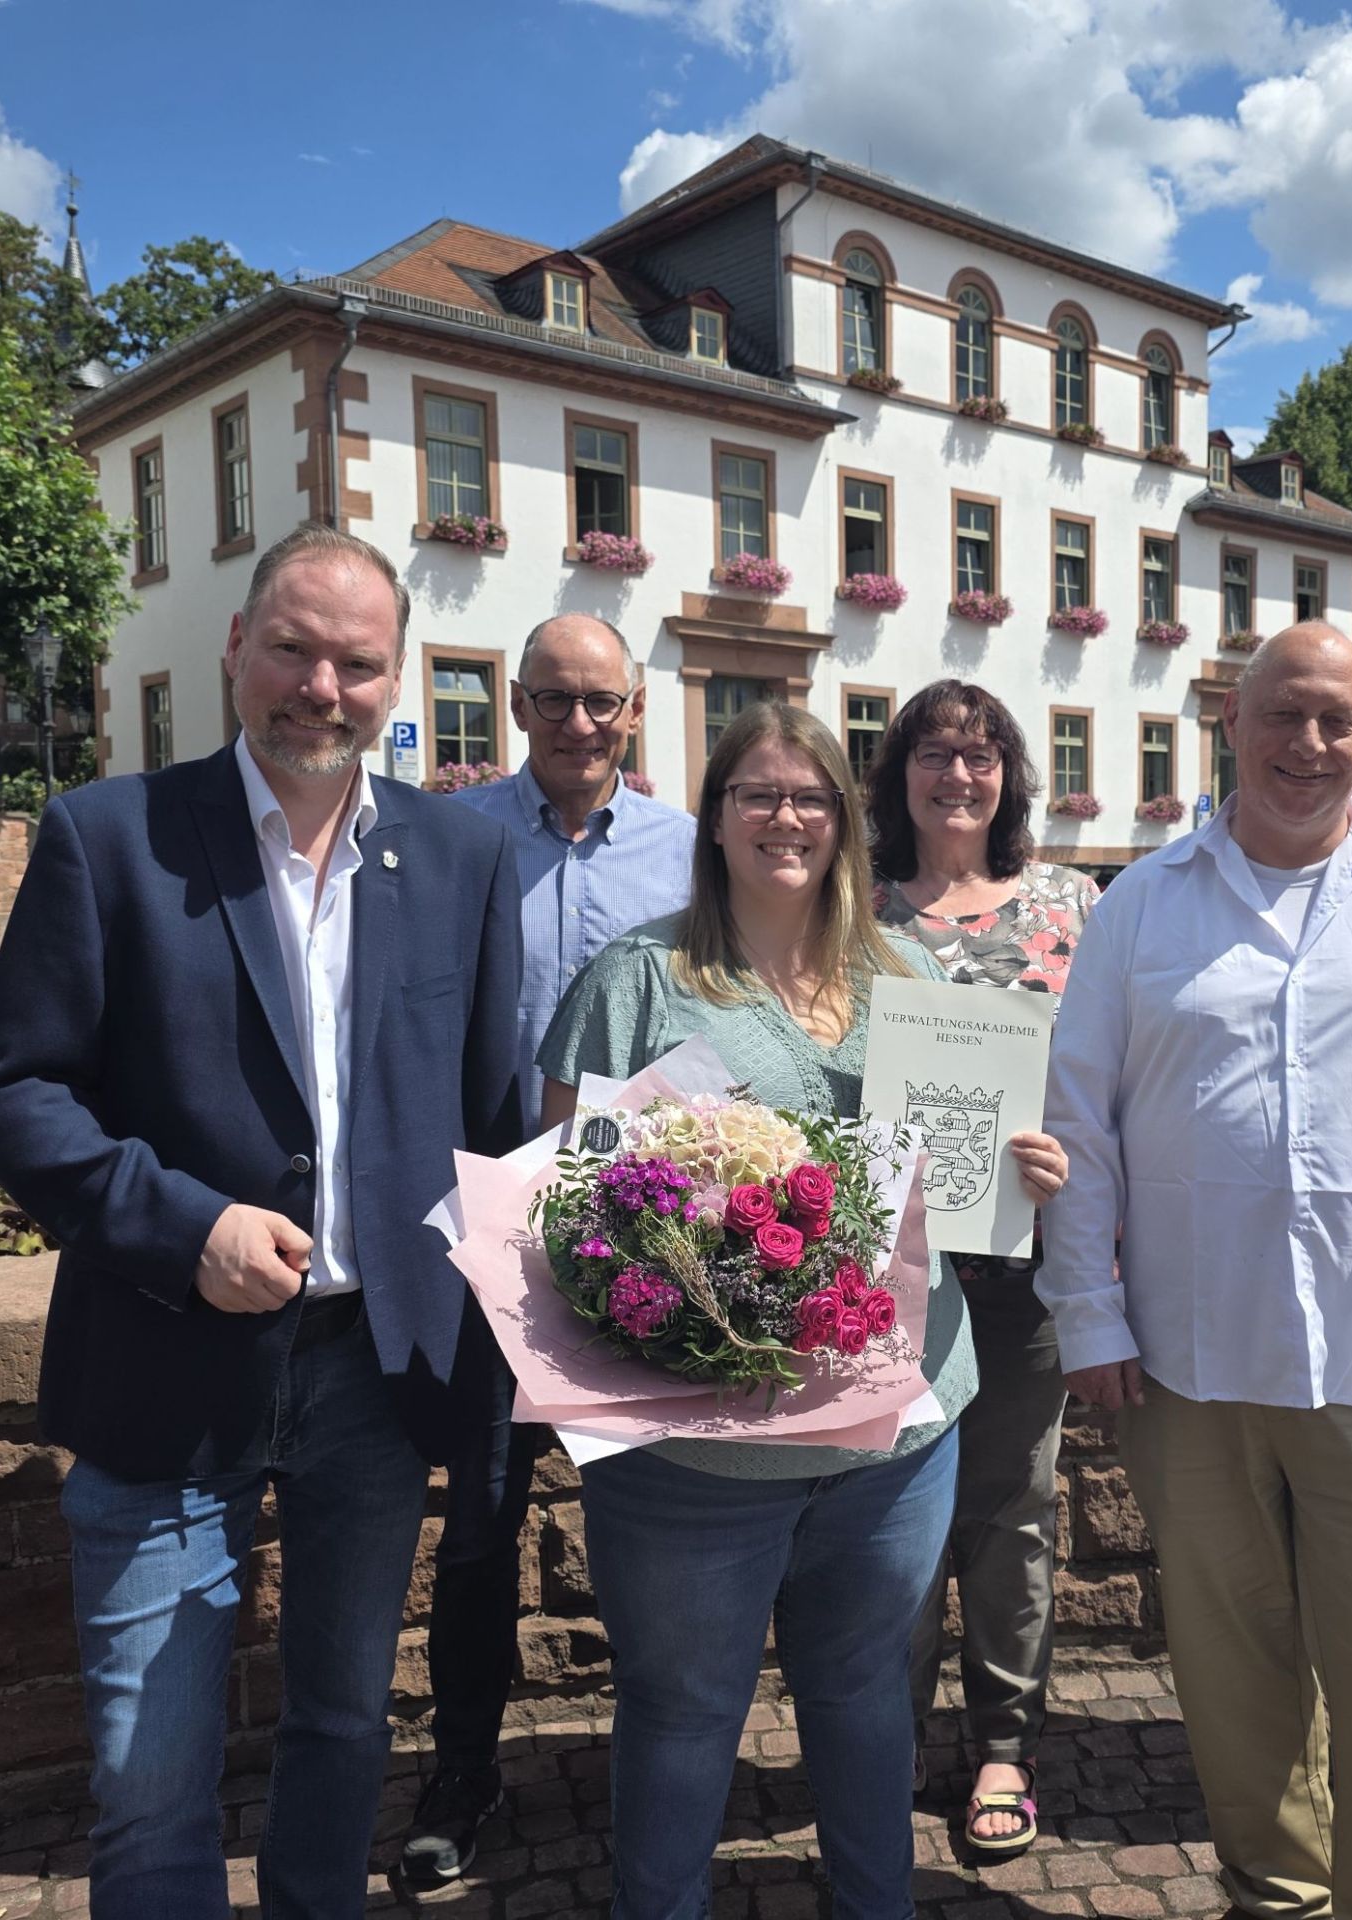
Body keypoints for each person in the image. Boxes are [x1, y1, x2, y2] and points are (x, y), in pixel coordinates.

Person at [0, 524, 523, 1920]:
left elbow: (495, 1125)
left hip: (378, 1378)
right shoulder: (111, 835)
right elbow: (14, 1095)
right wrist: (178, 1224)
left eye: (357, 662)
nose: (320, 687)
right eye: (293, 648)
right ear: (234, 643)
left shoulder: (459, 859)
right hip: (164, 1358)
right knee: (152, 1779)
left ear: (396, 680)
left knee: (343, 1727)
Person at [1040, 622, 1352, 1920]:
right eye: (1282, 714)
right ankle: (1278, 1899)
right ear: (1232, 722)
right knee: (1234, 1684)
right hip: (1185, 1370)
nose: (1308, 744)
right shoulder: (1142, 904)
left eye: (1335, 719)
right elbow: (1077, 1123)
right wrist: (1085, 1313)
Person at [533, 701, 1069, 1914]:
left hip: (897, 1433)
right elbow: (566, 1206)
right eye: (757, 794)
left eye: (811, 796)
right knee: (679, 1717)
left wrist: (1019, 1174)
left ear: (845, 820)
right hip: (695, 1460)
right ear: (714, 817)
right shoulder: (641, 980)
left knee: (867, 1698)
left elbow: (963, 1185)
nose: (786, 817)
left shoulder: (914, 978)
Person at [399, 613, 693, 1890]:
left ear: (635, 710)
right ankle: (464, 1766)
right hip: (496, 1241)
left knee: (653, 1528)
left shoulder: (689, 852)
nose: (580, 724)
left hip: (641, 1247)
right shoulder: (452, 843)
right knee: (481, 1527)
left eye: (603, 703)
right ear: (515, 707)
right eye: (555, 700)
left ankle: (667, 1768)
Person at [866, 679, 1098, 1857]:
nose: (959, 777)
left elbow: (1109, 1076)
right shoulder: (848, 907)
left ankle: (1004, 1743)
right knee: (885, 1515)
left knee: (1012, 1514)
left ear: (1010, 774)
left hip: (1024, 1266)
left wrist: (1069, 1152)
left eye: (982, 755)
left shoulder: (1069, 902)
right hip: (879, 1269)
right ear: (897, 771)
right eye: (935, 754)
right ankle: (888, 1742)